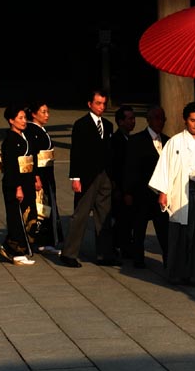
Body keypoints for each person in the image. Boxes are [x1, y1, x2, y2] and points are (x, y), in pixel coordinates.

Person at [148, 101, 195, 289]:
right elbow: (165, 167)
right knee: (181, 234)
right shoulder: (175, 142)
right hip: (181, 191)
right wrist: (163, 192)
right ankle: (178, 274)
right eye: (192, 120)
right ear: (185, 120)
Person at [61, 89, 116, 268]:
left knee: (104, 215)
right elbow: (76, 152)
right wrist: (75, 178)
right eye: (98, 103)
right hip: (86, 176)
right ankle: (69, 253)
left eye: (104, 104)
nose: (101, 107)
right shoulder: (81, 124)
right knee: (81, 215)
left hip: (105, 175)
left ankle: (104, 253)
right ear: (90, 104)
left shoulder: (108, 125)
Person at [123, 105, 170, 269]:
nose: (160, 122)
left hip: (161, 193)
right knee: (139, 227)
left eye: (162, 118)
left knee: (164, 228)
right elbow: (130, 167)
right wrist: (128, 191)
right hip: (141, 191)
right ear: (148, 120)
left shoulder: (168, 140)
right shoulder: (136, 140)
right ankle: (138, 258)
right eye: (156, 118)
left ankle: (168, 258)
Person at [0, 103, 37, 266]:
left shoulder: (24, 137)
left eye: (24, 118)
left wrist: (35, 178)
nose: (23, 121)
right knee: (16, 217)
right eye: (20, 118)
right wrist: (17, 187)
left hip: (27, 179)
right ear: (11, 121)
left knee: (26, 215)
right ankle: (12, 248)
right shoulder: (10, 141)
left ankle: (19, 246)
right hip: (15, 183)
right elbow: (11, 167)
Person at [26, 100, 63, 254]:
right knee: (41, 207)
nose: (47, 115)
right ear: (34, 114)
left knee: (47, 206)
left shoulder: (40, 129)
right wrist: (36, 177)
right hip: (40, 173)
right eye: (43, 112)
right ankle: (40, 240)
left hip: (47, 172)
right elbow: (32, 156)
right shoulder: (32, 131)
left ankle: (46, 241)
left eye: (47, 112)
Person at [110, 104, 136, 260]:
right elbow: (115, 166)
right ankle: (119, 246)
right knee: (120, 218)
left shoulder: (130, 139)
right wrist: (118, 188)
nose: (132, 122)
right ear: (120, 122)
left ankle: (125, 245)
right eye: (129, 119)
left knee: (127, 218)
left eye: (133, 118)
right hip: (120, 186)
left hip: (128, 186)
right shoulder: (116, 140)